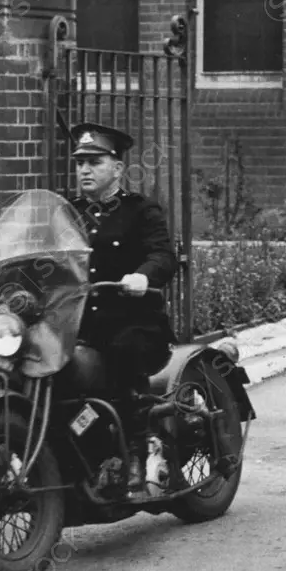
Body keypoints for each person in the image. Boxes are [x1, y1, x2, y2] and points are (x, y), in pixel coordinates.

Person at [69, 122, 178, 496]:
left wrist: (144, 276)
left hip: (134, 323)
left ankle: (139, 449)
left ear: (116, 168)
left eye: (94, 161)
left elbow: (164, 255)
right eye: (80, 162)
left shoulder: (139, 210)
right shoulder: (67, 214)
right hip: (80, 326)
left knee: (122, 354)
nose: (84, 169)